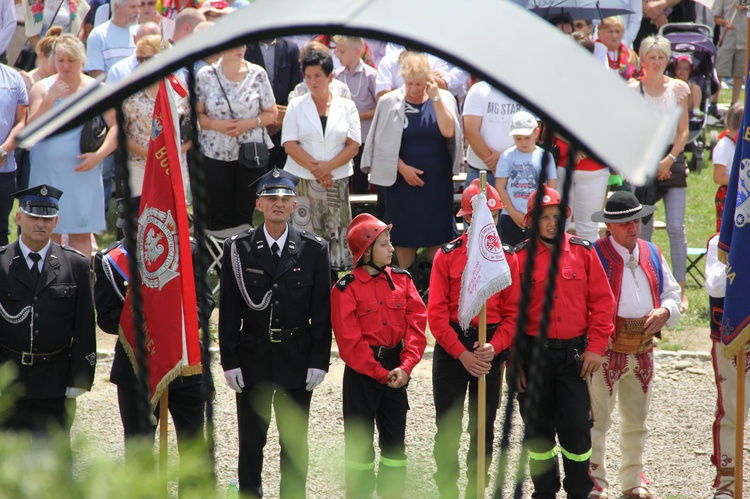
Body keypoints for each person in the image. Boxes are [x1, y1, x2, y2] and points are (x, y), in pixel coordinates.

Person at [219, 167, 332, 498]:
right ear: (259, 204)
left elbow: (322, 313)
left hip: (296, 357)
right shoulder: (237, 249)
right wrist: (230, 361)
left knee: (294, 443)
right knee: (251, 441)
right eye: (271, 197)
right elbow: (228, 311)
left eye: (284, 197)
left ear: (295, 203)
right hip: (253, 358)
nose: (278, 203)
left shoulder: (314, 249)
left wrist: (319, 361)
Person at [93, 197, 214, 490]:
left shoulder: (188, 251)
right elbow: (106, 317)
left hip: (182, 361)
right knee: (138, 450)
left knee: (192, 448)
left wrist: (175, 327)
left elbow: (205, 302)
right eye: (129, 229)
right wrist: (145, 324)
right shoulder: (110, 260)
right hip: (136, 365)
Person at [510, 185, 614, 499]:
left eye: (557, 216)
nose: (552, 223)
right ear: (532, 221)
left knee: (576, 431)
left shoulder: (583, 251)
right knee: (538, 433)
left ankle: (580, 491)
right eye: (545, 217)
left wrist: (596, 347)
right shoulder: (518, 259)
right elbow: (511, 314)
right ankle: (544, 491)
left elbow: (602, 303)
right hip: (534, 357)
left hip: (574, 358)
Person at [428, 179, 520, 499]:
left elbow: (513, 313)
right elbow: (436, 317)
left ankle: (476, 490)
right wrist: (462, 354)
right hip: (454, 346)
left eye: (494, 218)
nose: (490, 224)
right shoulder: (446, 255)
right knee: (448, 428)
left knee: (483, 428)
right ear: (468, 219)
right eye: (484, 217)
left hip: (489, 348)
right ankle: (447, 491)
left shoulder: (507, 258)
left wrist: (496, 346)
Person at [588, 191, 681, 499]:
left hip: (642, 349)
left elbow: (672, 292)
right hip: (604, 351)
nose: (634, 227)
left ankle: (632, 481)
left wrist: (666, 311)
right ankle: (594, 481)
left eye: (637, 220)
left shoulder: (652, 252)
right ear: (610, 227)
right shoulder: (594, 256)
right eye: (626, 222)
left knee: (636, 421)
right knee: (597, 420)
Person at [331, 213, 427, 498]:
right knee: (359, 452)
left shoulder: (402, 280)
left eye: (390, 242)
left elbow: (417, 326)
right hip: (363, 374)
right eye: (385, 244)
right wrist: (379, 372)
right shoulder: (344, 289)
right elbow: (349, 343)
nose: (392, 249)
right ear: (366, 251)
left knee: (395, 449)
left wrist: (406, 366)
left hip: (397, 367)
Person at [0, 184, 96, 438]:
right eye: (33, 216)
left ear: (56, 221)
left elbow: (85, 325)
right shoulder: (1, 262)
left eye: (47, 218)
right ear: (18, 218)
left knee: (55, 460)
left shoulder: (75, 265)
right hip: (9, 377)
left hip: (55, 379)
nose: (40, 224)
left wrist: (80, 376)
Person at [362, 51, 461, 274]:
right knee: (404, 236)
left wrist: (435, 96)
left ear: (429, 79)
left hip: (436, 182)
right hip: (401, 182)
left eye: (419, 83)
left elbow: (448, 131)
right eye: (409, 83)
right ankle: (405, 280)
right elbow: (381, 142)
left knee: (437, 235)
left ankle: (433, 283)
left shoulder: (443, 98)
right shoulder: (389, 101)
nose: (414, 89)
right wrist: (402, 168)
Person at [27, 33, 118, 259]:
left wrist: (98, 156)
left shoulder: (97, 90)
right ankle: (48, 287)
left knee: (80, 234)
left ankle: (82, 288)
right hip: (47, 172)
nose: (65, 66)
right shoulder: (41, 87)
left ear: (82, 61)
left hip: (83, 172)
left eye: (71, 60)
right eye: (60, 60)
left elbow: (117, 128)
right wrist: (50, 99)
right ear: (53, 60)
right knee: (47, 233)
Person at [281, 48, 361, 279]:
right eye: (308, 76)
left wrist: (327, 168)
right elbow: (289, 144)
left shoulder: (347, 106)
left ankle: (333, 285)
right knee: (305, 232)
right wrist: (317, 169)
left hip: (336, 180)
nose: (313, 81)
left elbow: (353, 144)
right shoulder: (296, 104)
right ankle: (303, 279)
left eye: (318, 75)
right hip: (304, 180)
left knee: (334, 231)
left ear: (330, 77)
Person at [631, 35, 690, 312]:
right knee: (643, 229)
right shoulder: (633, 89)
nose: (656, 62)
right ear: (642, 60)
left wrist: (668, 160)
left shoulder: (678, 89)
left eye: (661, 57)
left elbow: (683, 131)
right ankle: (648, 284)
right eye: (651, 57)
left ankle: (681, 288)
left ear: (667, 60)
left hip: (672, 158)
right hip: (643, 160)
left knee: (676, 227)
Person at [195, 43, 278, 230]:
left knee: (244, 213)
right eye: (234, 45)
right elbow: (197, 115)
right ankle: (218, 257)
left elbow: (272, 113)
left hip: (251, 152)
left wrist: (248, 123)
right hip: (215, 153)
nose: (240, 49)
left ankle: (242, 256)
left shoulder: (258, 74)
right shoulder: (205, 75)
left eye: (243, 44)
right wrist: (218, 125)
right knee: (218, 213)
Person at [705, 232, 750, 499]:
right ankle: (727, 482)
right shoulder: (718, 242)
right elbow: (716, 286)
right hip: (731, 340)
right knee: (731, 410)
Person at [122, 35, 191, 196]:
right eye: (140, 59)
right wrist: (151, 154)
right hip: (140, 168)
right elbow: (120, 135)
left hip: (174, 166)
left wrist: (176, 152)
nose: (144, 64)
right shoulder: (129, 92)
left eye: (149, 58)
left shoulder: (179, 89)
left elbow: (192, 131)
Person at [494, 110, 557, 247]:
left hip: (539, 215)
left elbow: (552, 188)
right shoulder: (507, 156)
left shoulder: (546, 156)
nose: (523, 142)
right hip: (510, 216)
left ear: (536, 132)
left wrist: (542, 213)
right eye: (518, 138)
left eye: (527, 137)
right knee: (512, 254)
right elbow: (500, 186)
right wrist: (513, 212)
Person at [244, 37, 303, 169]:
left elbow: (296, 88)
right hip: (253, 127)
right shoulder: (245, 47)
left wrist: (278, 121)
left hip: (285, 128)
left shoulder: (290, 48)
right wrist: (265, 121)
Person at [333, 35, 377, 195]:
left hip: (364, 136)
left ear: (357, 51)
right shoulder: (336, 75)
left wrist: (358, 117)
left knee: (360, 176)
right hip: (342, 137)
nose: (337, 54)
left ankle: (362, 209)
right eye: (337, 50)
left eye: (342, 51)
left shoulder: (371, 75)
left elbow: (381, 107)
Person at [462, 80, 523, 189]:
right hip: (481, 173)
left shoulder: (525, 91)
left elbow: (534, 131)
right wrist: (496, 164)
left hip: (518, 172)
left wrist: (504, 160)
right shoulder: (478, 90)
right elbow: (471, 131)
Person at [0, 60, 28, 246]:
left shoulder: (14, 78)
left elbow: (22, 120)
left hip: (4, 167)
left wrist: (4, 150)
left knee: (1, 227)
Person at [83, 0, 139, 79]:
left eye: (138, 6)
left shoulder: (141, 32)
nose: (137, 11)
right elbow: (98, 78)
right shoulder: (97, 35)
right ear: (116, 6)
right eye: (132, 7)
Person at [713, 102, 742, 232]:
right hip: (728, 194)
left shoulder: (738, 145)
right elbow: (718, 177)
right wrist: (740, 180)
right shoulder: (724, 147)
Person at [713, 0, 747, 105]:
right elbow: (716, 18)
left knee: (739, 74)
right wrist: (725, 22)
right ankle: (714, 101)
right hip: (727, 40)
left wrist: (745, 4)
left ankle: (734, 103)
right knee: (720, 71)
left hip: (744, 39)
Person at [595, 16, 641, 81]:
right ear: (599, 34)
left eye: (617, 32)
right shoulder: (592, 51)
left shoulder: (631, 55)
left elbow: (640, 76)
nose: (614, 36)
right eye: (610, 32)